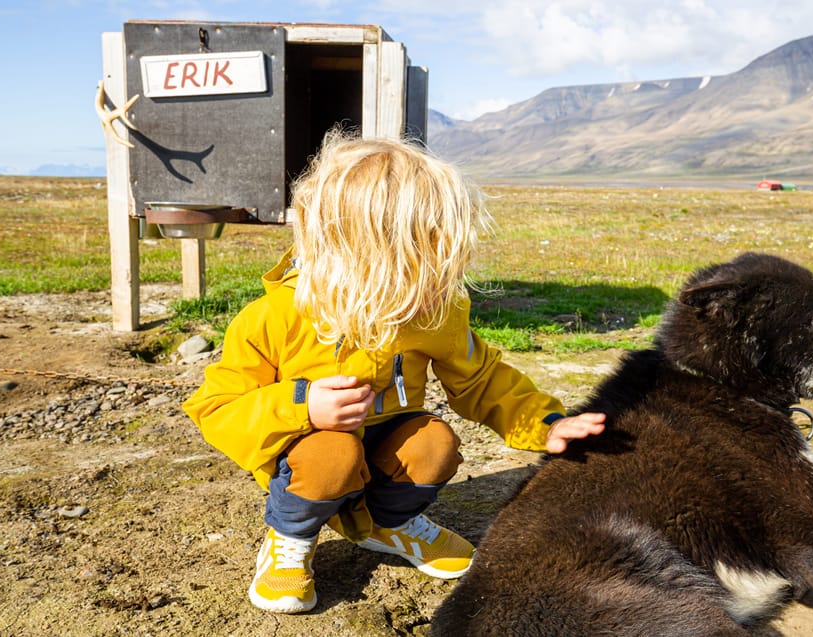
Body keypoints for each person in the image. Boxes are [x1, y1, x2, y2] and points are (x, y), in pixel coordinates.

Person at [182, 130, 606, 614]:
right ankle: (290, 538)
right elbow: (216, 408)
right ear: (360, 254)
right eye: (428, 261)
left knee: (434, 441)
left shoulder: (433, 314)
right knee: (331, 454)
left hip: (386, 446)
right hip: (306, 455)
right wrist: (303, 404)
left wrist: (546, 425)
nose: (443, 278)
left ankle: (388, 523)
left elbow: (484, 378)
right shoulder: (273, 317)